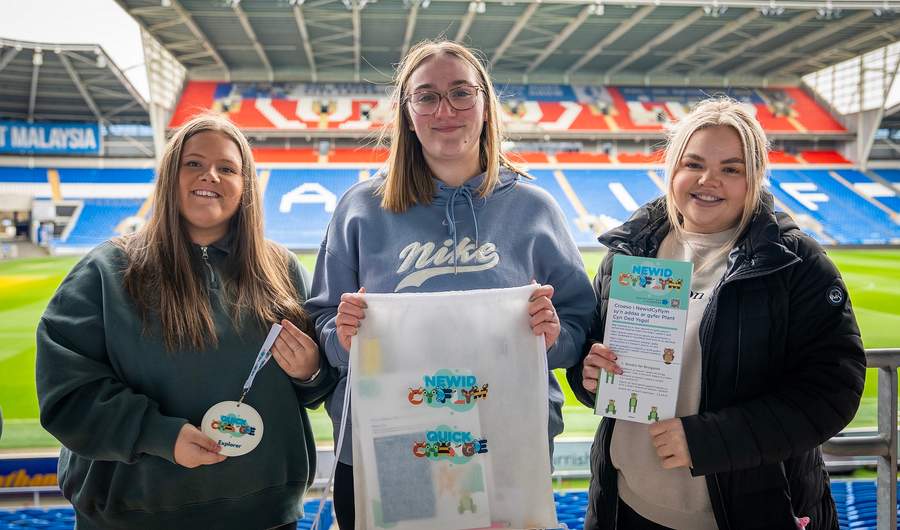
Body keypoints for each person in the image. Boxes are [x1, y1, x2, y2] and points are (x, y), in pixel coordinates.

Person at [304, 40, 596, 529]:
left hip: (506, 436)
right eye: (427, 96)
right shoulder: (360, 208)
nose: (446, 110)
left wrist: (552, 335)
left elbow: (578, 330)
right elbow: (322, 329)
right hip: (391, 443)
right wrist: (343, 334)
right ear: (406, 111)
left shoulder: (534, 209)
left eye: (462, 93)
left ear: (485, 104)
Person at [566, 98, 866, 530]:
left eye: (731, 168)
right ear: (672, 169)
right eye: (693, 164)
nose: (708, 180)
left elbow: (833, 390)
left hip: (743, 513)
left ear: (755, 179)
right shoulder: (630, 251)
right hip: (626, 506)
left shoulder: (793, 261)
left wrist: (710, 439)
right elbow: (593, 356)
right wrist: (588, 374)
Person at [36, 114, 337, 530]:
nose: (209, 175)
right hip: (133, 518)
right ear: (169, 177)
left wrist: (312, 371)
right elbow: (67, 396)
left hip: (266, 517)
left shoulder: (281, 269)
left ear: (246, 185)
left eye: (227, 167)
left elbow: (318, 388)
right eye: (193, 163)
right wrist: (159, 435)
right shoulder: (106, 272)